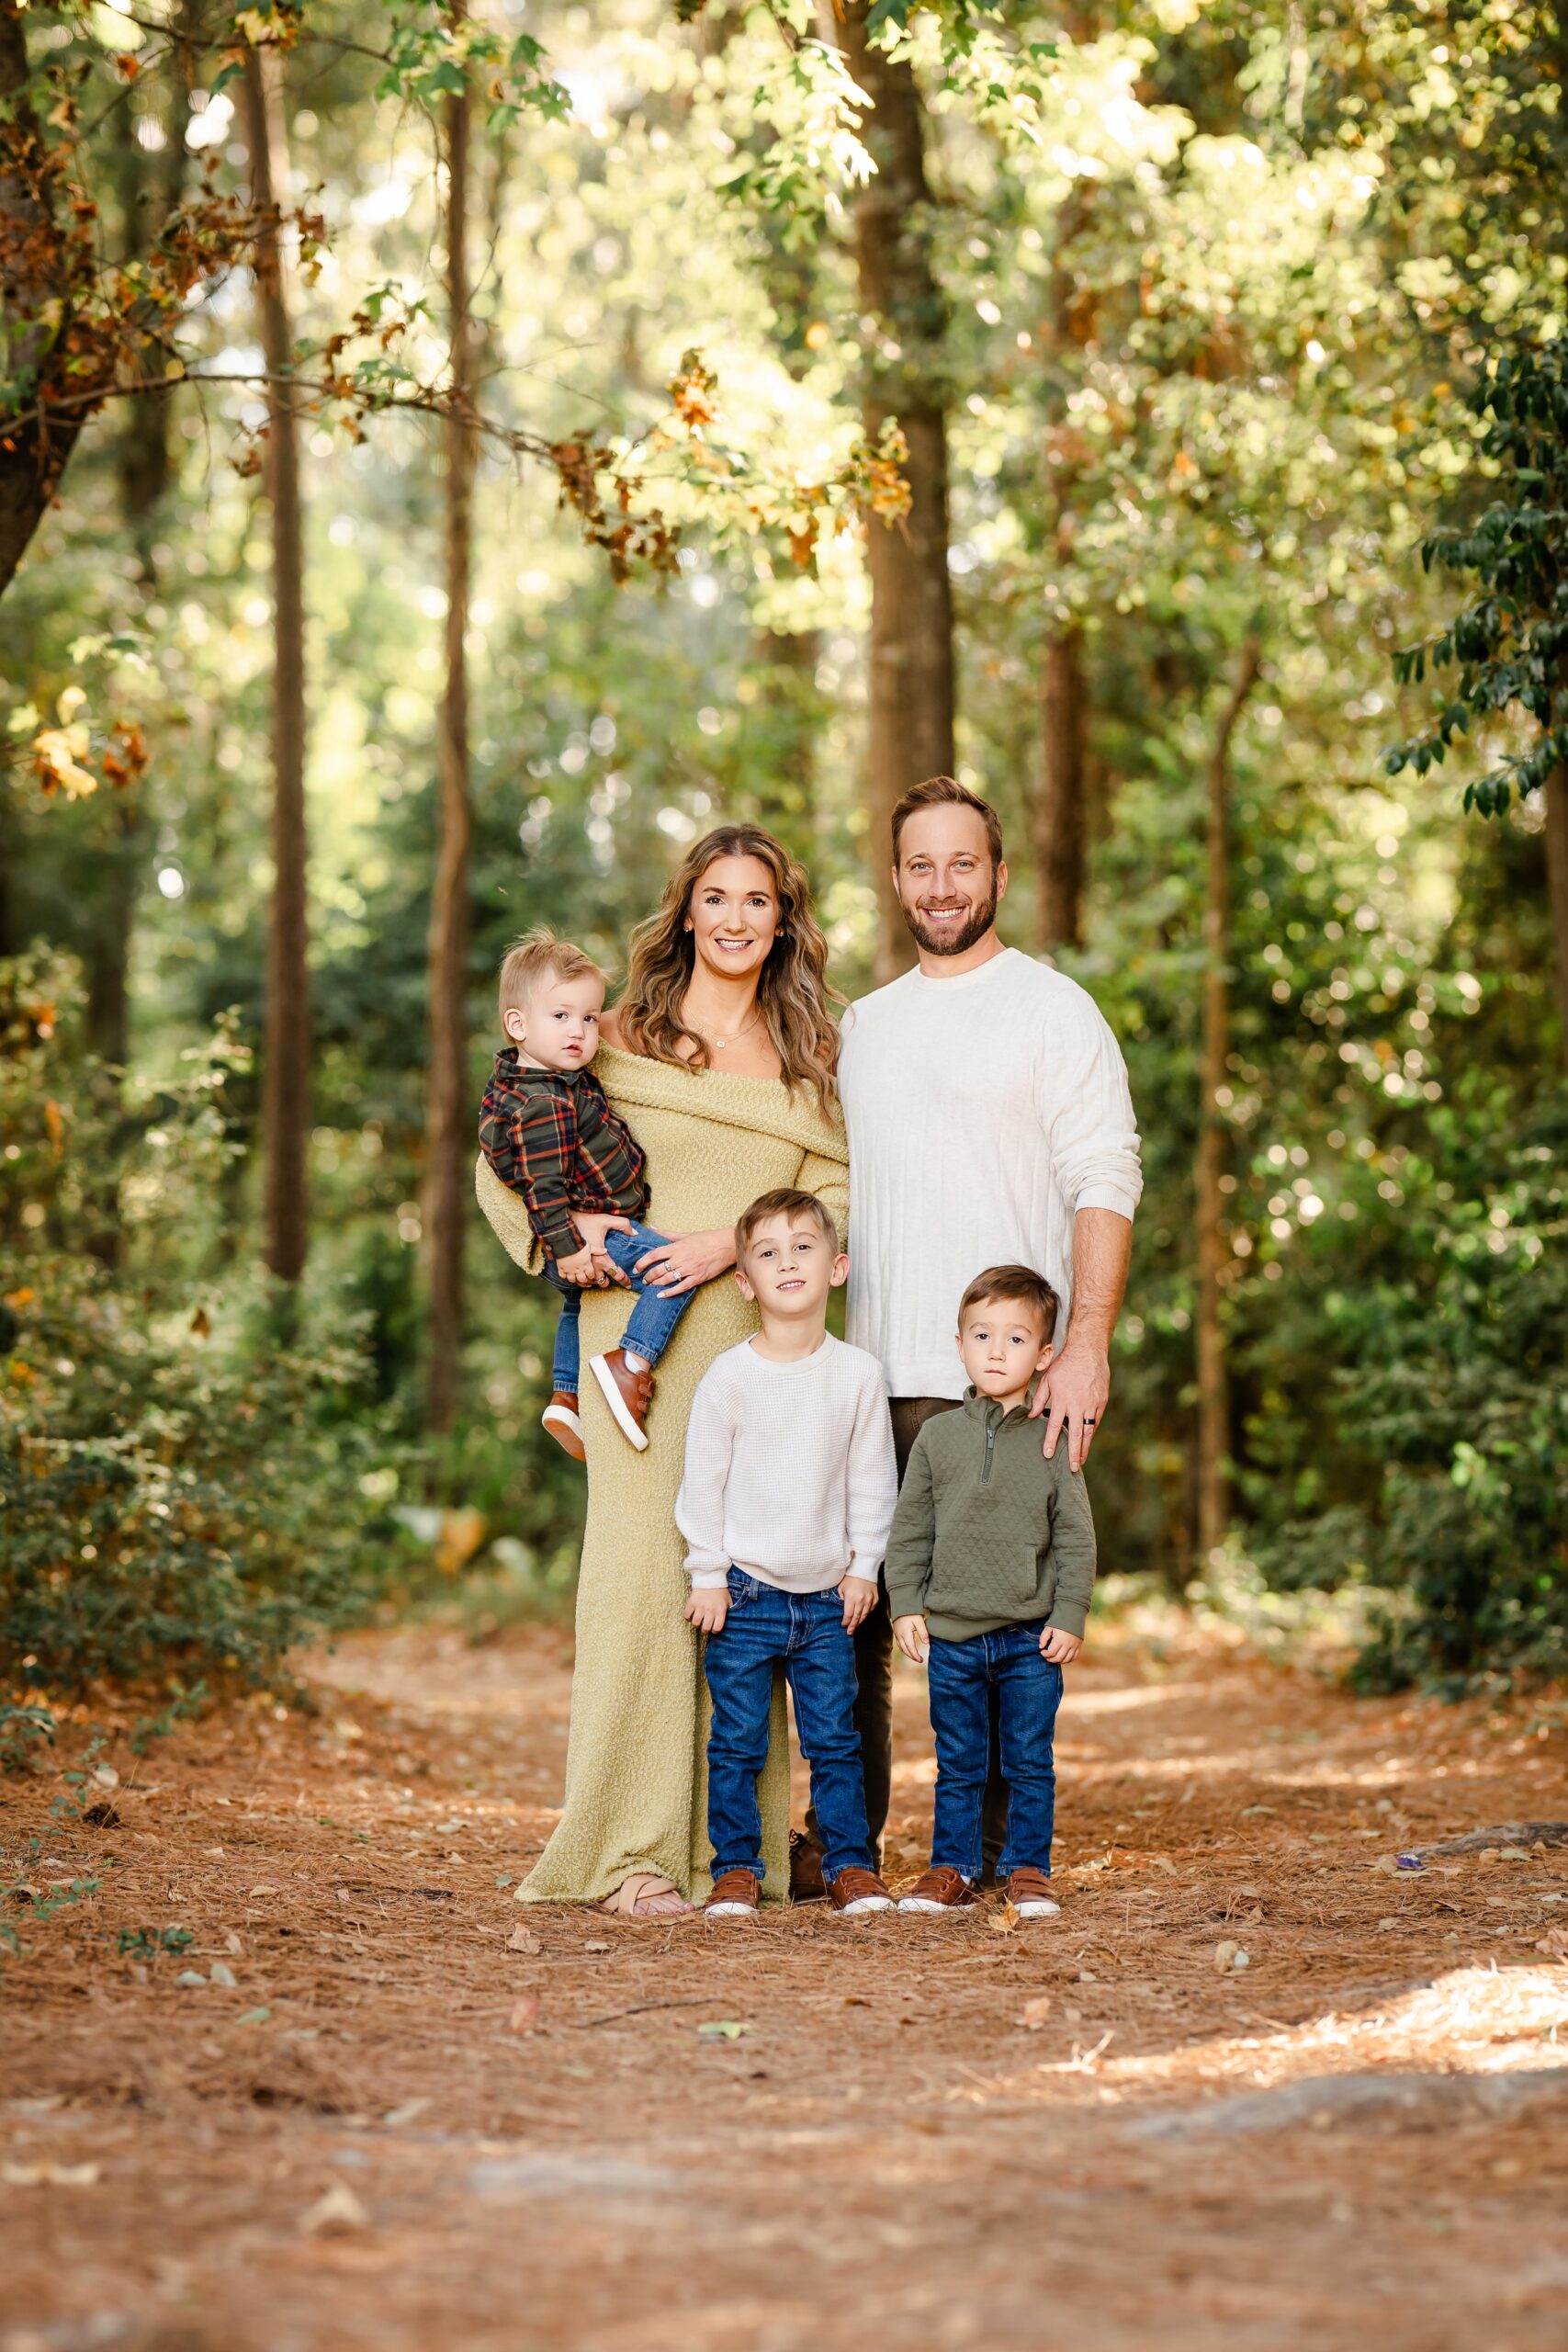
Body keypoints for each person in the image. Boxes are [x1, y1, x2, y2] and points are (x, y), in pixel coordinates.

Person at [475, 825, 848, 1918]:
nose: (735, 918)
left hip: (754, 1351)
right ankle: (634, 1853)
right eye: (716, 897)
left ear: (784, 919)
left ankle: (735, 1856)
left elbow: (837, 1205)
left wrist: (734, 1243)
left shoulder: (808, 1056)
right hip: (626, 1359)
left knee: (744, 1590)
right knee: (643, 1588)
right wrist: (564, 1233)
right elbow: (504, 1140)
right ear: (686, 909)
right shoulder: (618, 1033)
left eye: (759, 900)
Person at [795, 774, 1142, 1898]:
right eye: (921, 865)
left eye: (963, 863)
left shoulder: (1054, 1010)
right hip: (878, 1374)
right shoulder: (863, 1028)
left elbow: (1106, 1176)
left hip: (1010, 1385)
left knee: (995, 1634)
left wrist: (1083, 1342)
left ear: (999, 873)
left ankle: (989, 1856)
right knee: (858, 1631)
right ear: (896, 880)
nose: (942, 885)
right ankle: (844, 1845)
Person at [678, 1189, 898, 1920]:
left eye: (803, 1247)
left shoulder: (858, 1376)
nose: (787, 1262)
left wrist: (865, 1566)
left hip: (828, 1598)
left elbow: (872, 1480)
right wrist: (706, 1573)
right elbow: (702, 1482)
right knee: (736, 1743)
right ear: (745, 1282)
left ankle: (848, 1867)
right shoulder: (728, 1378)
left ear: (836, 1268)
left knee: (835, 1744)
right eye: (767, 1253)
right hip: (742, 1594)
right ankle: (736, 1870)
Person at [886, 1264, 1096, 1918]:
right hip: (951, 1639)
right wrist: (906, 1605)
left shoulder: (1052, 1435)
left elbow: (1075, 1539)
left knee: (1028, 1761)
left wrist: (1069, 1614)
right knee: (959, 1764)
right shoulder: (937, 1437)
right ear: (959, 1345)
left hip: (1028, 1641)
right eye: (981, 1336)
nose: (996, 1352)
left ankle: (1027, 1868)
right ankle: (952, 1868)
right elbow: (910, 1529)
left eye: (1013, 1339)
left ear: (1043, 1354)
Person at [478, 929, 706, 1459]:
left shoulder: (531, 1083)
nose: (580, 1031)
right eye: (560, 1016)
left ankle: (567, 1395)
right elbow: (543, 1186)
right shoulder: (545, 1103)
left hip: (588, 1231)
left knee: (575, 1308)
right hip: (584, 1238)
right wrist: (570, 1249)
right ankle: (631, 1364)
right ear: (518, 1024)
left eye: (588, 1017)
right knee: (673, 1272)